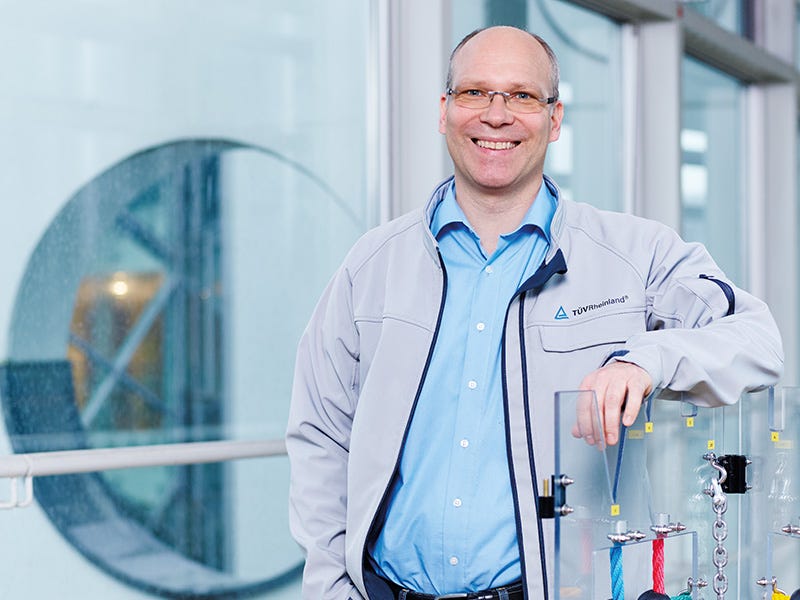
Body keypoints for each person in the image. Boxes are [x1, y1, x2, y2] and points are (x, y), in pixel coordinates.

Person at [286, 25, 783, 600]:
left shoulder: (634, 254)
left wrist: (646, 360)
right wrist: (331, 587)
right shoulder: (372, 264)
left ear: (555, 118)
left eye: (522, 96)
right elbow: (321, 435)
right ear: (444, 111)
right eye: (475, 92)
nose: (496, 116)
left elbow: (758, 340)